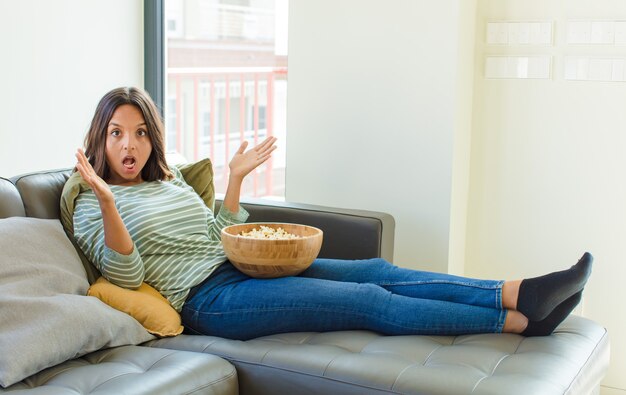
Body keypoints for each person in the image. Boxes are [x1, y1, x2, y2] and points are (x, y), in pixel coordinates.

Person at [70, 86, 592, 340]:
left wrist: (234, 180)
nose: (130, 143)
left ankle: (521, 291)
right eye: (117, 132)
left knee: (376, 272)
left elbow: (218, 232)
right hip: (210, 299)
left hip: (239, 266)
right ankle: (519, 322)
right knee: (366, 301)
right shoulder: (91, 203)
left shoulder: (169, 179)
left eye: (140, 131)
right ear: (101, 137)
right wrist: (112, 202)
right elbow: (129, 275)